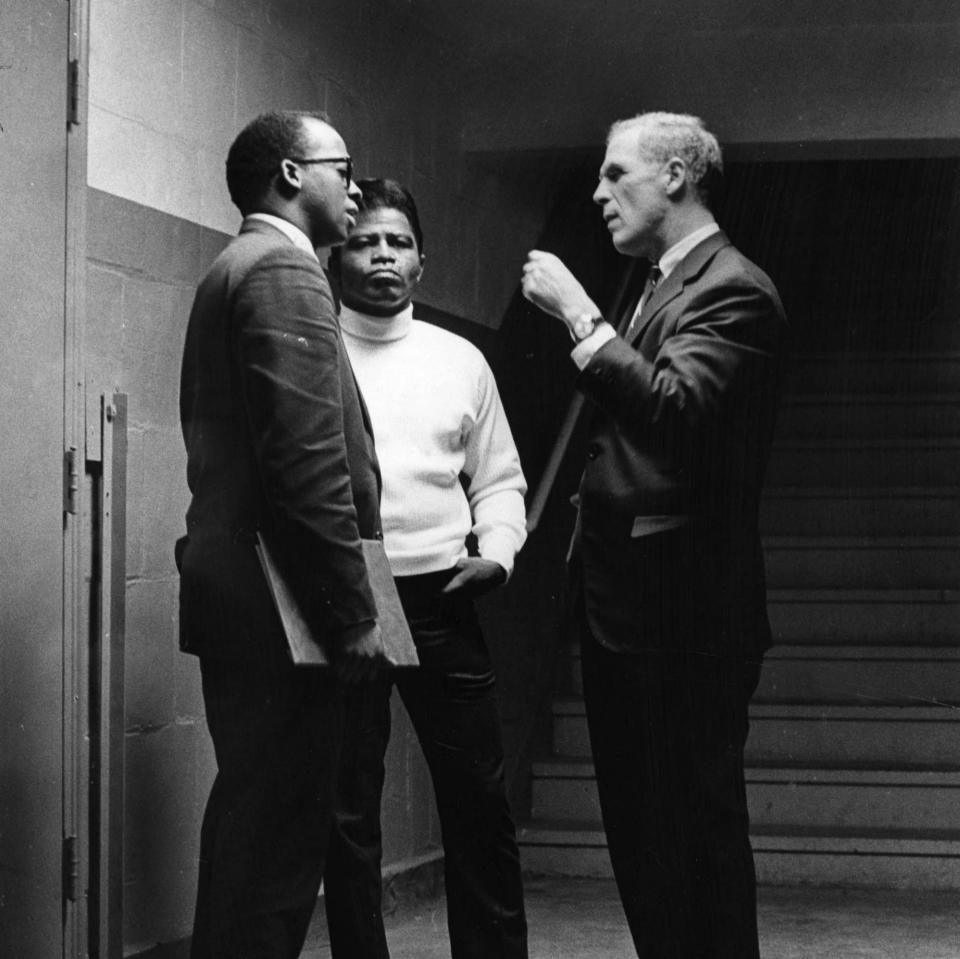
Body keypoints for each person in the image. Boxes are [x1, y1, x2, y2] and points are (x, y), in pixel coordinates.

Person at [520, 112, 789, 959]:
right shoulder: (664, 279)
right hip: (634, 614)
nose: (598, 195)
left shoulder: (732, 286)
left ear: (675, 176)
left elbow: (677, 412)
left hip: (683, 621)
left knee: (692, 838)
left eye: (615, 175)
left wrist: (578, 315)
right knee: (647, 839)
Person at [177, 110, 394, 959]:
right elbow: (306, 468)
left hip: (244, 596)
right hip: (283, 609)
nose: (358, 187)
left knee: (252, 833)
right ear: (294, 176)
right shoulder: (282, 271)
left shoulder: (236, 268)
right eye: (346, 167)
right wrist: (352, 614)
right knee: (274, 856)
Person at [322, 178, 529, 959]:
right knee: (348, 809)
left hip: (443, 590)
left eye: (398, 242)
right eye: (367, 240)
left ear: (422, 263)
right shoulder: (316, 353)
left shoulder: (460, 359)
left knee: (477, 800)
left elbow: (501, 477)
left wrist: (498, 553)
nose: (382, 254)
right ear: (339, 255)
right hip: (350, 591)